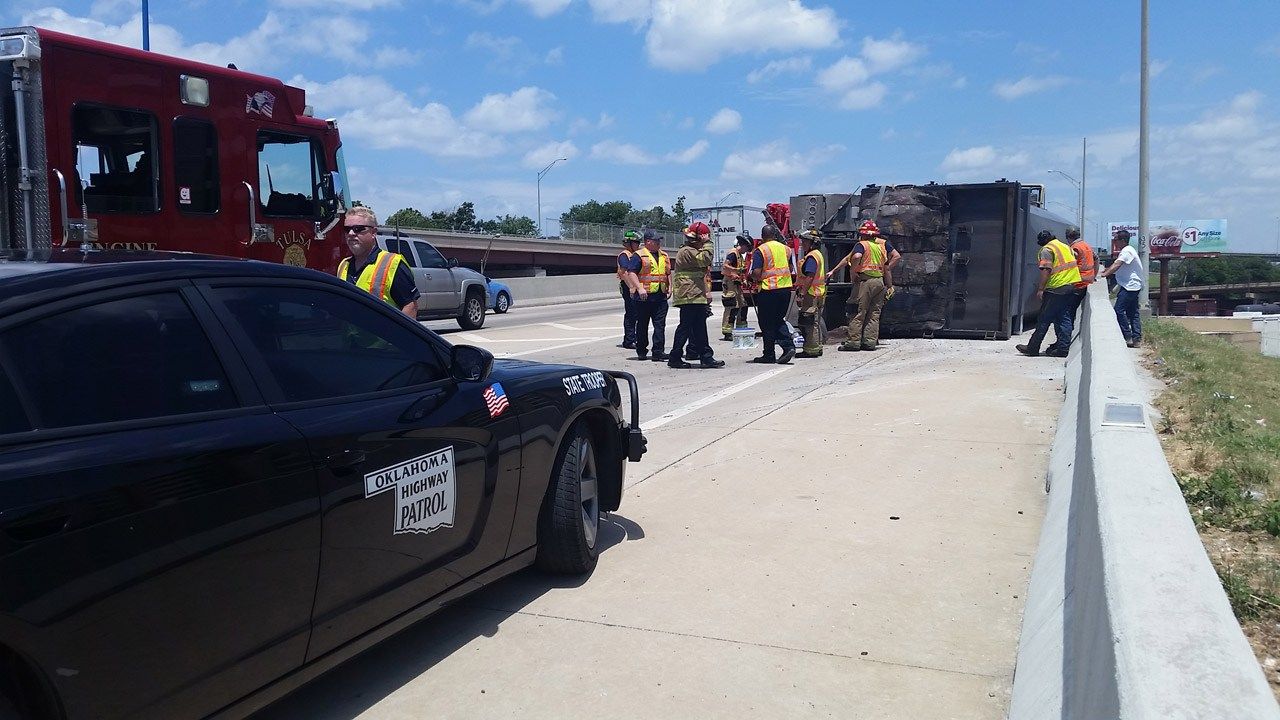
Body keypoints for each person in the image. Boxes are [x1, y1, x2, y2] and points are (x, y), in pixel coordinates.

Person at [336, 207, 419, 317]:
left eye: (358, 229)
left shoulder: (392, 263)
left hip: (382, 334)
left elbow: (410, 306)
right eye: (347, 229)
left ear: (373, 232)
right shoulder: (343, 265)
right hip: (349, 334)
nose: (351, 233)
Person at [1017, 230, 1082, 357]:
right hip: (1071, 286)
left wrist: (1041, 289)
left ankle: (1033, 348)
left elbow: (1046, 270)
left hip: (1056, 287)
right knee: (1064, 317)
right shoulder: (1065, 246)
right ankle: (1063, 349)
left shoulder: (1047, 250)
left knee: (1044, 319)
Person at [668, 222, 725, 369]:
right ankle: (675, 357)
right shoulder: (687, 251)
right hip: (689, 295)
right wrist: (708, 243)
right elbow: (705, 259)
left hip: (695, 294)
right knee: (685, 327)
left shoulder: (691, 250)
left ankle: (706, 357)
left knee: (699, 327)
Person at [828, 220, 888, 351]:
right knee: (874, 313)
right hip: (879, 281)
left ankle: (853, 342)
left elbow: (856, 257)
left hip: (865, 282)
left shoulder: (862, 245)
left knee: (856, 311)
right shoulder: (880, 247)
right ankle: (869, 342)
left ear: (863, 234)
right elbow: (887, 266)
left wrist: (853, 272)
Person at [748, 225, 796, 364]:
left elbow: (756, 273)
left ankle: (770, 354)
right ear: (775, 235)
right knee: (778, 319)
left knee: (766, 322)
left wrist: (752, 277)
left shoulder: (761, 250)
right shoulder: (786, 249)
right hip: (785, 289)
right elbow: (791, 268)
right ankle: (788, 346)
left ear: (763, 237)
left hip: (769, 290)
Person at [623, 229, 672, 362]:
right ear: (648, 242)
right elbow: (631, 272)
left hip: (660, 296)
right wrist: (639, 288)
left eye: (659, 240)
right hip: (644, 297)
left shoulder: (664, 255)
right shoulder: (639, 255)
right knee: (642, 324)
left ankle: (658, 352)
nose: (659, 243)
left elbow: (668, 273)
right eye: (656, 241)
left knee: (660, 325)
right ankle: (642, 351)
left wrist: (670, 287)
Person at [1098, 229, 1145, 347]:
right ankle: (1136, 339)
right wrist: (1107, 270)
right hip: (1132, 285)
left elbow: (1117, 264)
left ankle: (1127, 336)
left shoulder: (1127, 251)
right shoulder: (1128, 250)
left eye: (1116, 240)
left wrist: (1104, 274)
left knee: (1118, 310)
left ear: (1123, 240)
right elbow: (1117, 266)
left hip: (1130, 286)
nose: (1115, 242)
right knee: (1133, 312)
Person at [795, 229, 827, 357]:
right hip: (818, 293)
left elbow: (809, 276)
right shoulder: (818, 254)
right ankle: (817, 347)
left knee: (809, 322)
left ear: (813, 243)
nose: (802, 243)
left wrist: (802, 294)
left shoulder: (812, 257)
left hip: (811, 294)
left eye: (805, 241)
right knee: (815, 321)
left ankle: (811, 349)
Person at [720, 235, 752, 341]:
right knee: (731, 306)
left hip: (737, 284)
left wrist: (744, 280)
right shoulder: (733, 253)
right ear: (743, 245)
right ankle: (727, 331)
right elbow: (725, 266)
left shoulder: (739, 256)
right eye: (747, 248)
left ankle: (741, 329)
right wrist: (737, 270)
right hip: (730, 283)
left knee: (743, 305)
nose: (747, 251)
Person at [1065, 227, 1096, 323]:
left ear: (1068, 237)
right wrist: (1093, 276)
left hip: (1078, 283)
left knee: (1067, 312)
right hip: (1087, 281)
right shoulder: (1087, 246)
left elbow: (1070, 265)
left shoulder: (1075, 248)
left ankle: (1067, 335)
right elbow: (1096, 259)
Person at [617, 231, 641, 349]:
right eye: (636, 242)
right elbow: (624, 272)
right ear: (629, 243)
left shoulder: (635, 254)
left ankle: (635, 338)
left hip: (635, 287)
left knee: (637, 314)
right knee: (631, 314)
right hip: (628, 288)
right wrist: (631, 287)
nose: (638, 244)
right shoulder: (624, 255)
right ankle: (629, 340)